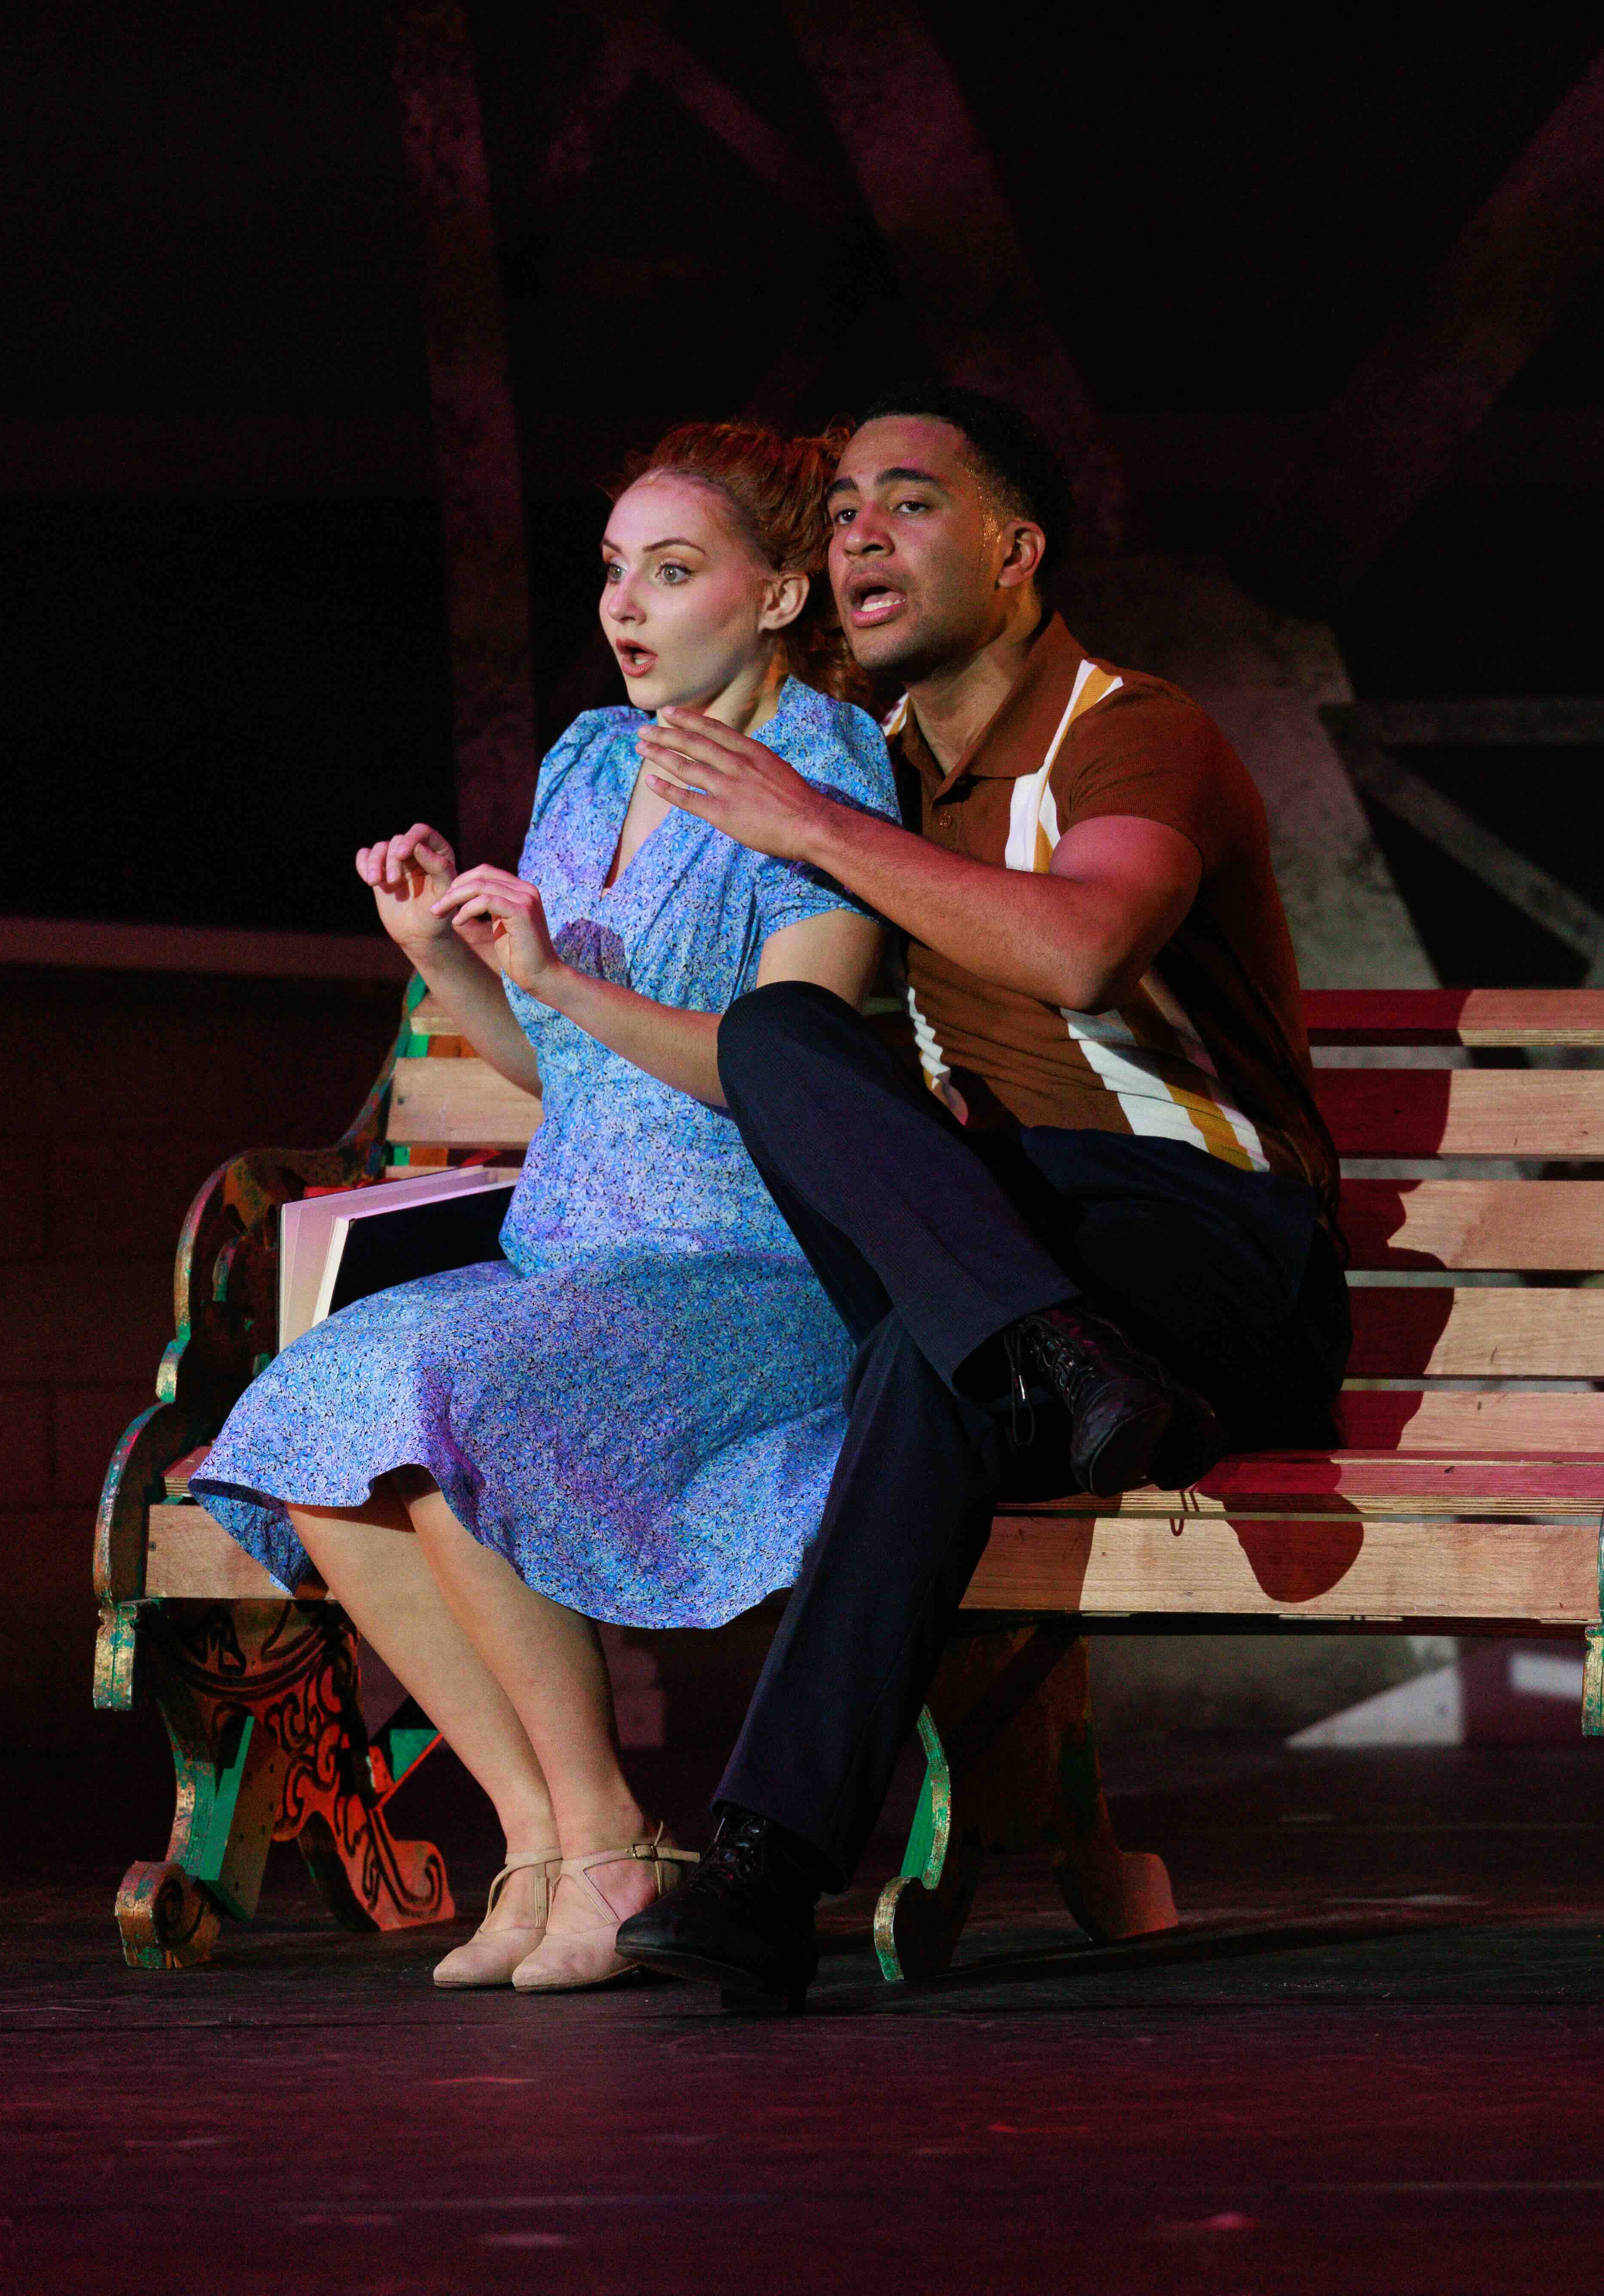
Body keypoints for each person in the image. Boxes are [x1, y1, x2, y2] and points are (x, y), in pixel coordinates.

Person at [611, 382, 1350, 2012]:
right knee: (782, 1036)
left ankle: (762, 1873)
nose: (859, 534)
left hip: (1211, 1246)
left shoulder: (1126, 726)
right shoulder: (871, 769)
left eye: (909, 502)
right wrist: (508, 959)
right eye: (843, 512)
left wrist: (810, 825)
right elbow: (785, 1059)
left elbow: (1083, 948)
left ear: (1016, 553)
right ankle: (1048, 1351)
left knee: (925, 1364)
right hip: (1031, 1273)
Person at [190, 423, 895, 1993]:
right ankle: (546, 1839)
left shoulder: (829, 773)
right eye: (614, 571)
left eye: (673, 571)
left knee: (449, 1390)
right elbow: (556, 1066)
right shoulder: (589, 759)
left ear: (781, 595)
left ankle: (612, 1834)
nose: (625, 606)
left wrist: (560, 975)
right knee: (318, 1411)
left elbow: (788, 1074)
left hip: (750, 1267)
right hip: (577, 1255)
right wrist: (441, 954)